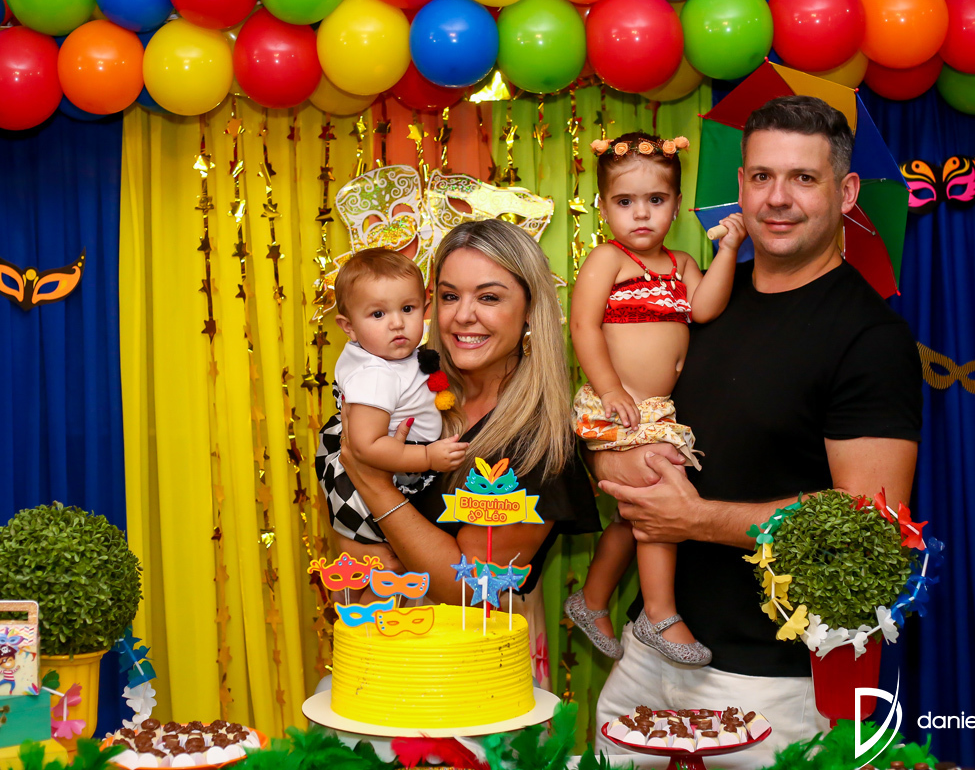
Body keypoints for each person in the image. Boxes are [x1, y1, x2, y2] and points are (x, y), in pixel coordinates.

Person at [592, 96, 923, 768]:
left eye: (804, 178)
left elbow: (870, 524)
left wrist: (697, 519)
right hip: (648, 653)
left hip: (769, 681)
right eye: (763, 177)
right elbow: (628, 410)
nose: (778, 198)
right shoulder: (702, 298)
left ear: (846, 193)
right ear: (740, 185)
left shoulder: (869, 337)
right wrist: (611, 459)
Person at [336, 219, 601, 684]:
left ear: (530, 310)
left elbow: (471, 592)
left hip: (476, 670)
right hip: (387, 657)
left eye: (489, 297)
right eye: (449, 295)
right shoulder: (412, 388)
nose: (462, 316)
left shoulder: (537, 441)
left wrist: (373, 483)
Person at [564, 132, 747, 665]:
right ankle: (659, 614)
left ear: (676, 203)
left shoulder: (681, 264)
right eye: (625, 202)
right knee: (657, 485)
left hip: (656, 411)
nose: (641, 214)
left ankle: (592, 598)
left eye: (656, 200)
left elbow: (706, 307)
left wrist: (727, 251)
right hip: (614, 405)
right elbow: (583, 326)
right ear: (603, 208)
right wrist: (610, 388)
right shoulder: (608, 259)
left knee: (634, 512)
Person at [316, 248, 468, 583]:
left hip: (392, 460)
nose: (397, 323)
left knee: (381, 568)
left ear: (425, 309)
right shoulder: (376, 374)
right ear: (348, 326)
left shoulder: (389, 357)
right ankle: (369, 610)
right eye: (377, 314)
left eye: (407, 309)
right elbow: (366, 446)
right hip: (381, 468)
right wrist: (427, 457)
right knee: (387, 569)